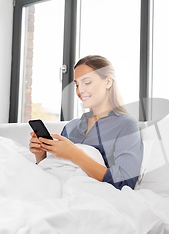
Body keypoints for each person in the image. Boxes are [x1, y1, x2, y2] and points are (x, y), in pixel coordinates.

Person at [29, 55, 143, 190]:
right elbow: (56, 170)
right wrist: (41, 155)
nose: (80, 90)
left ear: (108, 82)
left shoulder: (126, 125)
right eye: (77, 84)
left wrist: (73, 153)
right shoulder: (71, 127)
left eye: (87, 82)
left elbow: (125, 183)